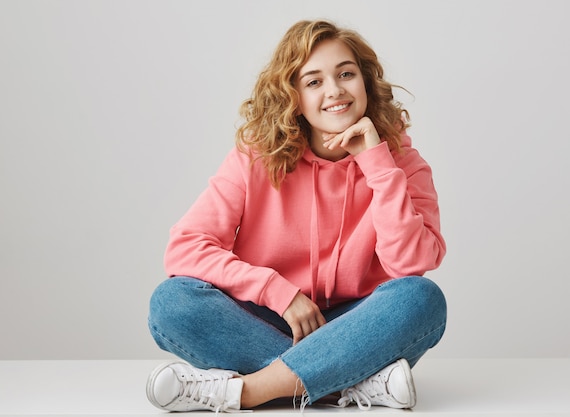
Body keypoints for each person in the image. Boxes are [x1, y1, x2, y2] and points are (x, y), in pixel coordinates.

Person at [146, 19, 447, 413]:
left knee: (421, 300)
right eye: (314, 81)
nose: (335, 91)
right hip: (270, 320)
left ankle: (248, 391)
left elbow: (410, 264)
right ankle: (351, 385)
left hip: (357, 325)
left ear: (365, 83)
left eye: (346, 74)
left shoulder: (402, 164)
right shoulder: (256, 158)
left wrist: (376, 163)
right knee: (172, 303)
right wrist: (278, 292)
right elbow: (186, 248)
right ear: (295, 98)